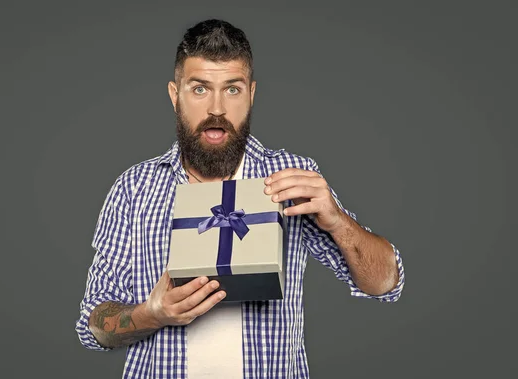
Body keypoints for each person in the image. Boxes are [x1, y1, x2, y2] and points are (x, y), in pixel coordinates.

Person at [75, 19, 405, 379]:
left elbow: (385, 283)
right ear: (175, 95)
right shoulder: (134, 189)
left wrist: (338, 221)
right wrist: (150, 314)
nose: (216, 108)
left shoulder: (291, 176)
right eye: (199, 89)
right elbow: (95, 326)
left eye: (231, 90)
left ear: (251, 94)